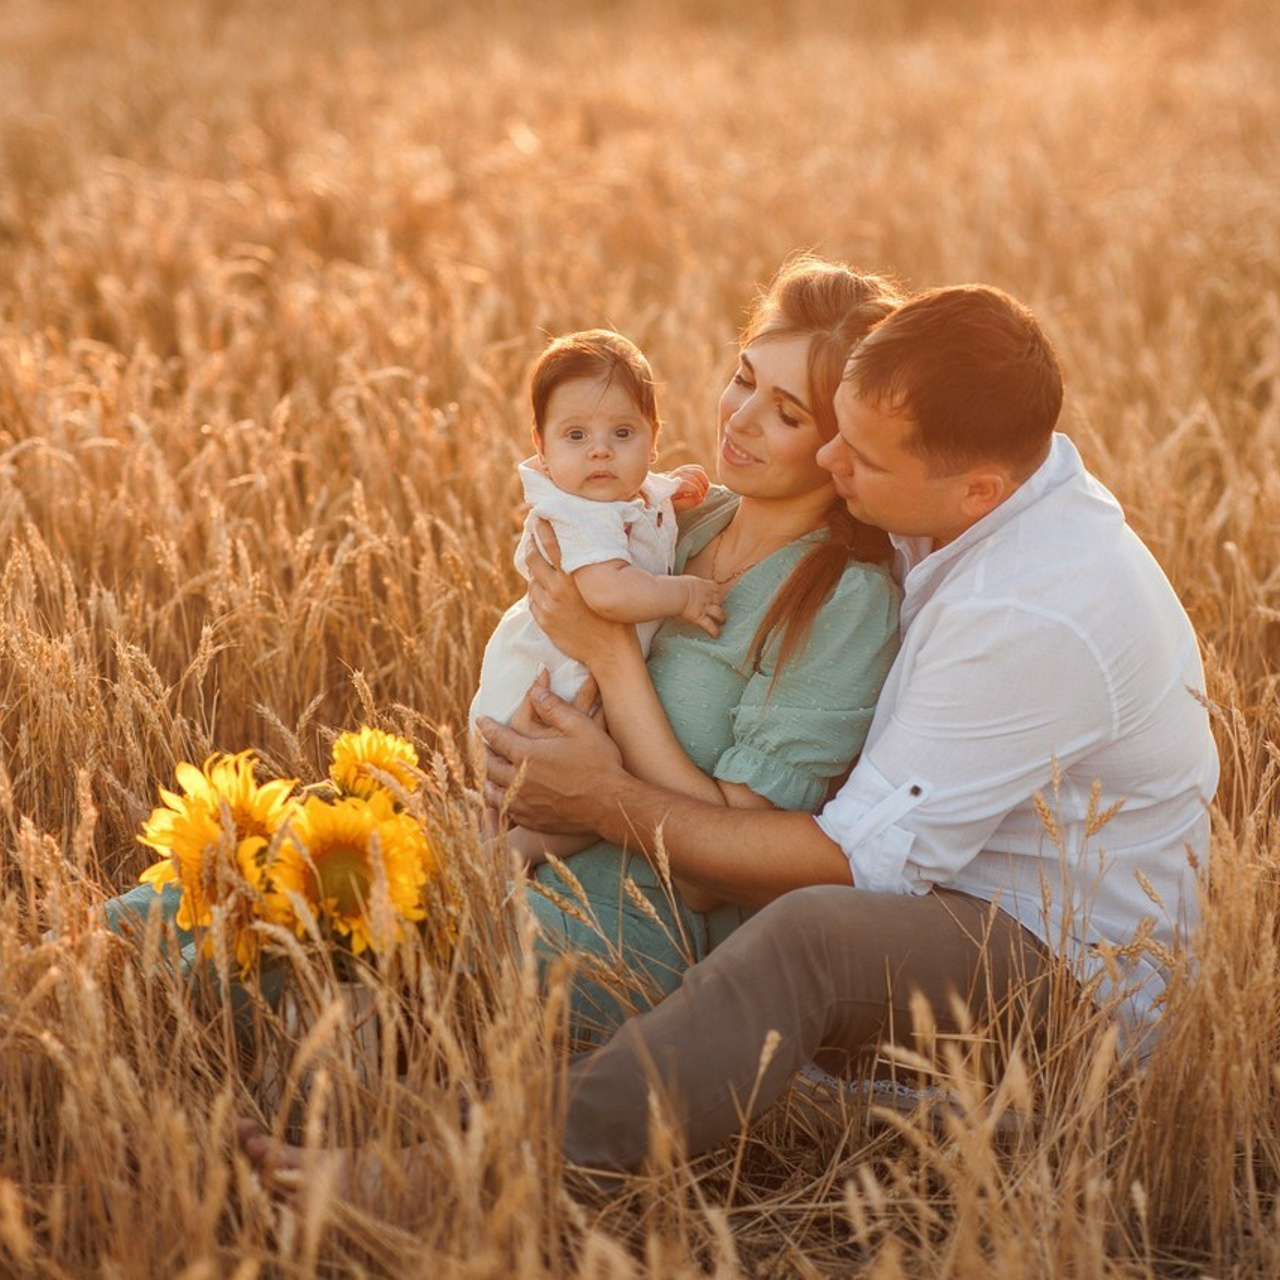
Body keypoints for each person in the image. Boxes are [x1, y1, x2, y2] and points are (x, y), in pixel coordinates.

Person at [241, 278, 1218, 1187]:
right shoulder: (967, 470)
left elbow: (849, 869)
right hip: (924, 879)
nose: (829, 463)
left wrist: (598, 793)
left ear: (976, 491)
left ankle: (471, 1174)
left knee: (810, 940)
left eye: (856, 455)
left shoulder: (1028, 611)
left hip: (1060, 975)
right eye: (823, 426)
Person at [511, 260, 904, 1041]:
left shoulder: (846, 601)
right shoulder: (673, 518)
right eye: (742, 377)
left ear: (842, 447)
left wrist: (614, 661)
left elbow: (713, 870)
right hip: (518, 846)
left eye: (787, 413)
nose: (740, 418)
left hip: (631, 924)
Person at [468, 327, 722, 734]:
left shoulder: (611, 497)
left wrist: (665, 489)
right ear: (542, 448)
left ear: (653, 439)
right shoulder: (574, 513)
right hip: (543, 691)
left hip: (588, 677)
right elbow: (609, 593)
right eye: (576, 435)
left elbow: (625, 511)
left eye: (623, 433)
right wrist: (684, 595)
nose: (600, 449)